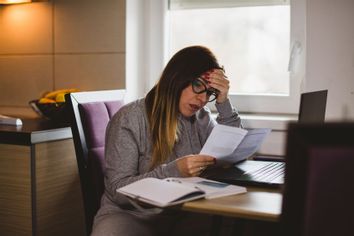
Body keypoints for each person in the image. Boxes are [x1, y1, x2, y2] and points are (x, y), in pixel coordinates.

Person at [91, 45, 242, 236]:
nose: (203, 99)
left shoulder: (201, 117)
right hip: (133, 217)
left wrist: (223, 102)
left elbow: (231, 154)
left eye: (210, 93)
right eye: (198, 86)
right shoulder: (130, 118)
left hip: (186, 215)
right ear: (177, 79)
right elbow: (117, 191)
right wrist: (174, 171)